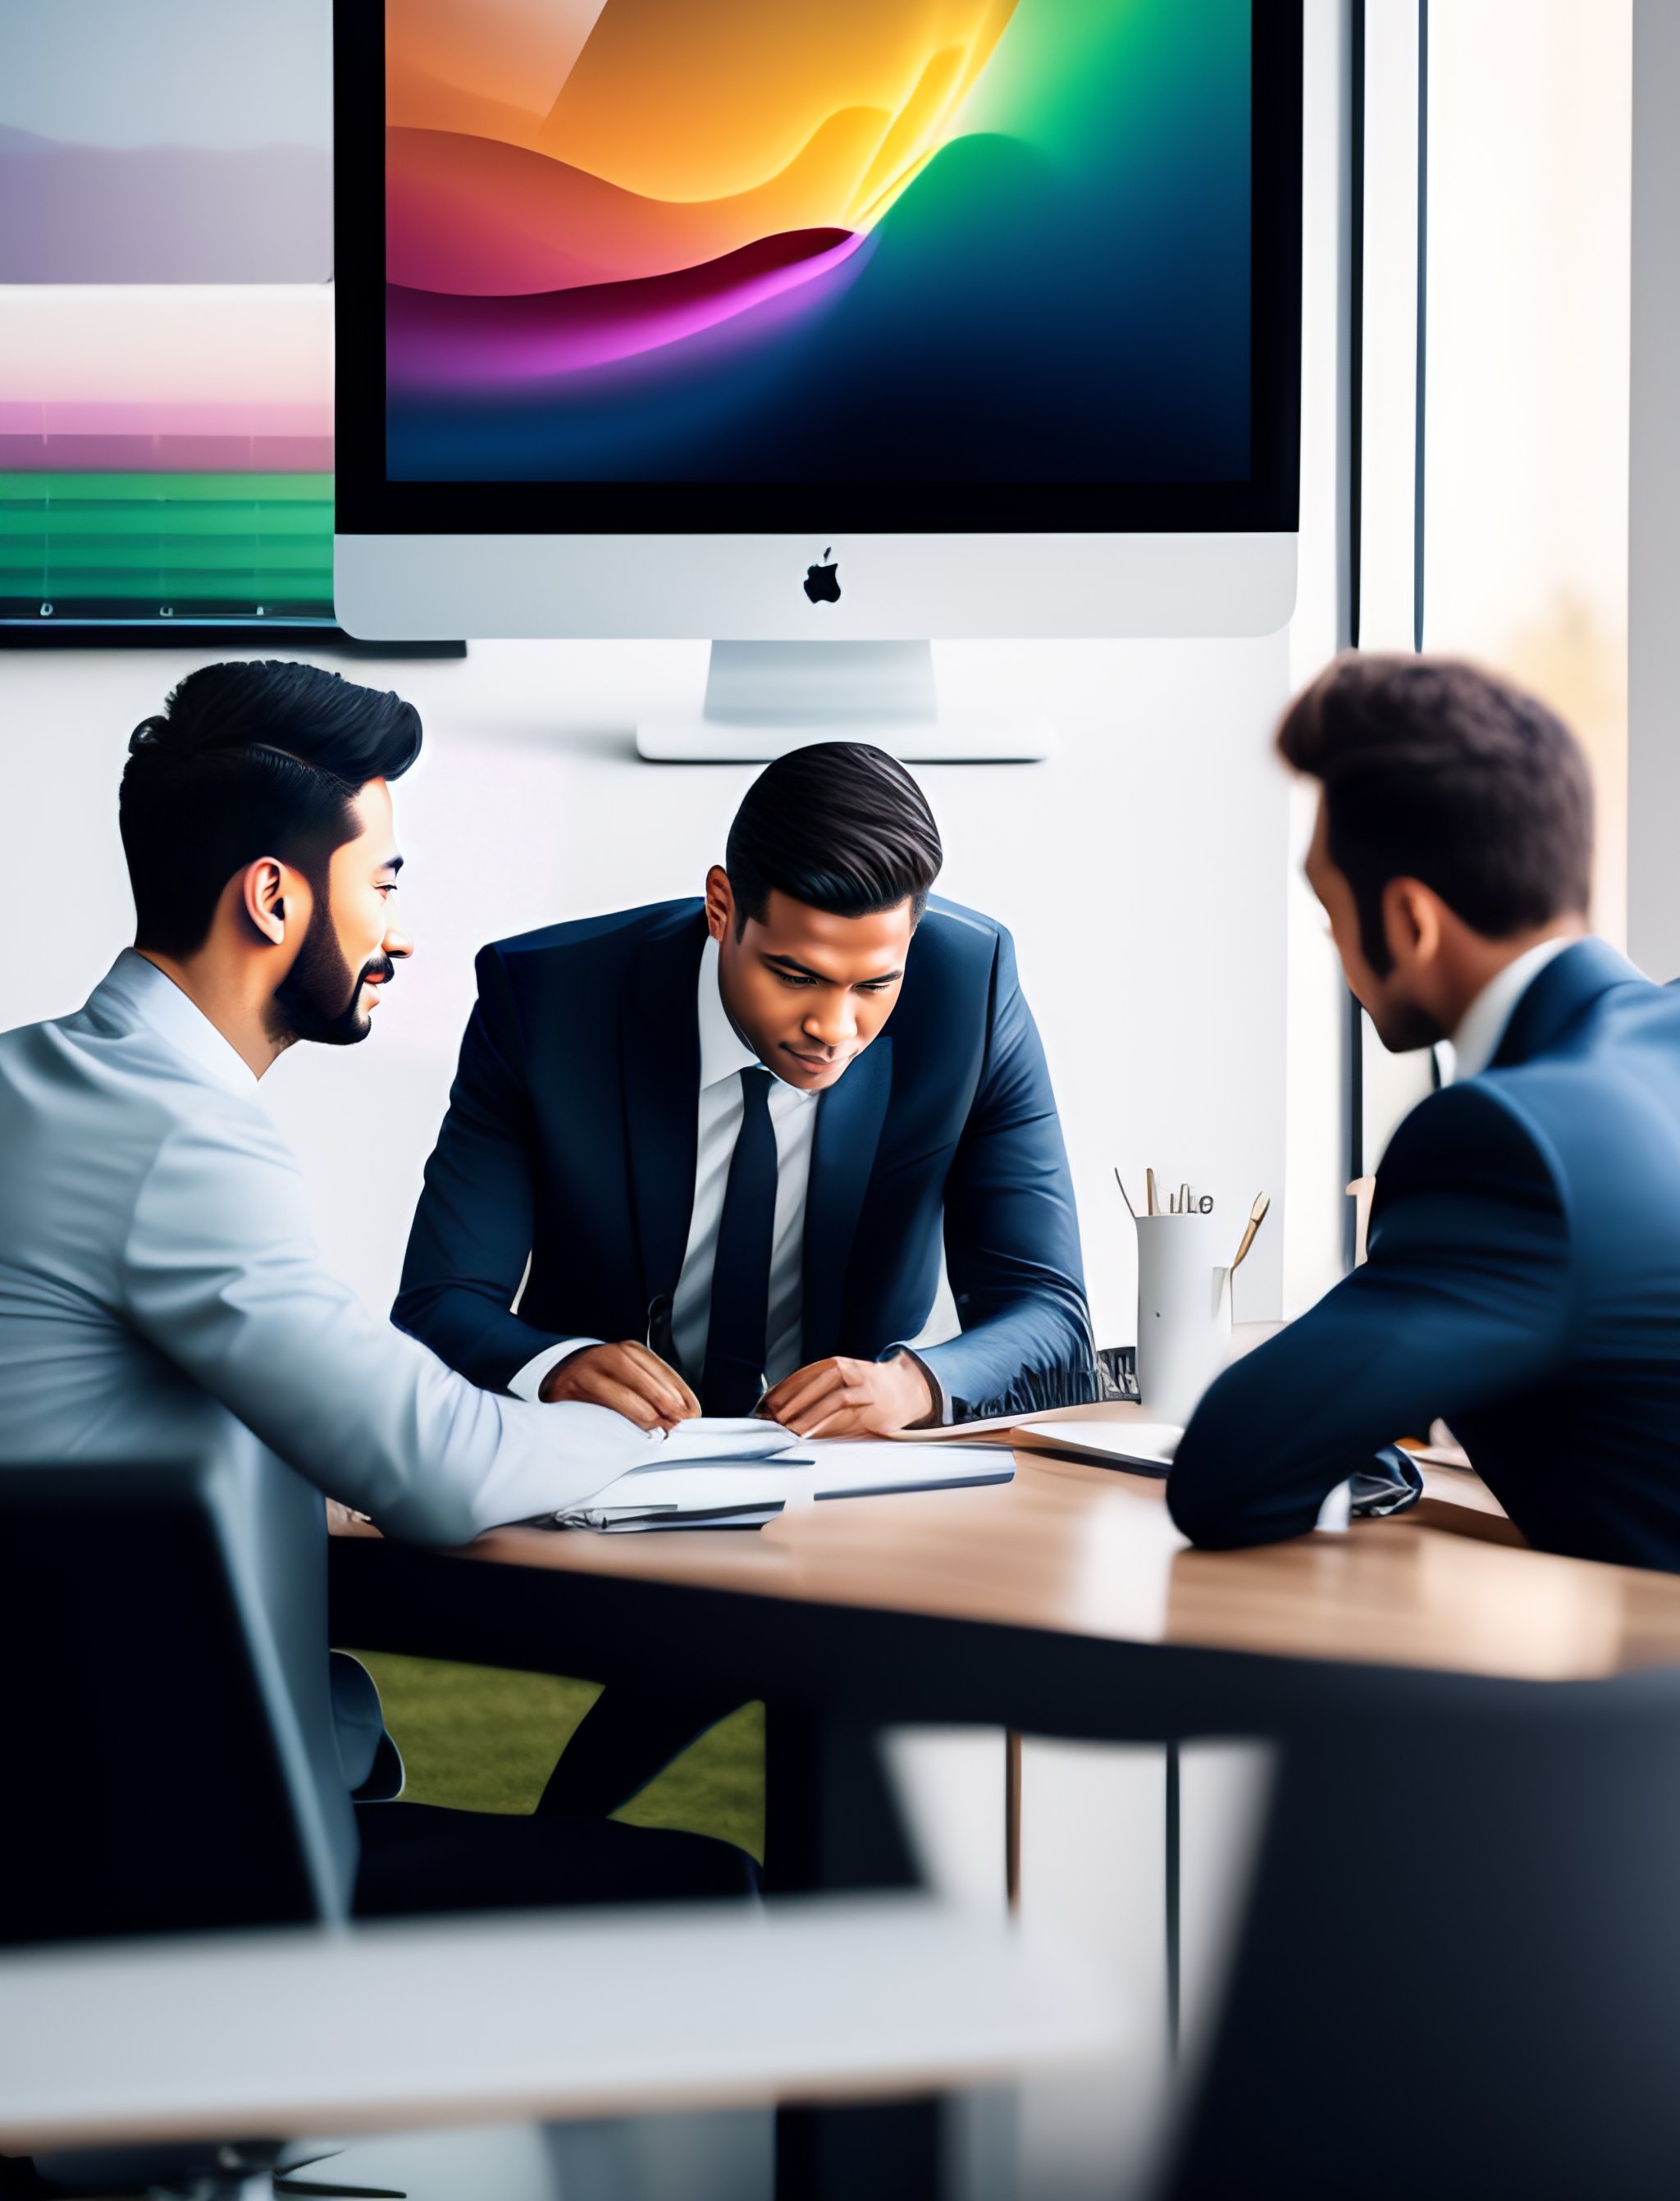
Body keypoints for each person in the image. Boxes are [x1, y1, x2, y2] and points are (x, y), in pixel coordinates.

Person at [0, 660, 747, 1913]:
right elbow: (436, 1466)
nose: (399, 932)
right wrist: (628, 1433)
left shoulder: (31, 1085)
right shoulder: (182, 1138)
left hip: (51, 1821)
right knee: (709, 1891)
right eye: (385, 883)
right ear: (276, 897)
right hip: (165, 1872)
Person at [395, 738, 1094, 1806]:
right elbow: (441, 1303)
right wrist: (561, 1362)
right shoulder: (546, 1000)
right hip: (610, 1496)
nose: (835, 1027)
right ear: (723, 906)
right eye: (796, 975)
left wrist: (911, 1384)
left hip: (843, 1503)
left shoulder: (971, 983)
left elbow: (1049, 1314)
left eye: (876, 985)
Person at [1168, 649, 1680, 1572]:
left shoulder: (1504, 1144)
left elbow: (1223, 1474)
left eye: (1330, 915)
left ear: (1408, 921)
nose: (1334, 948)